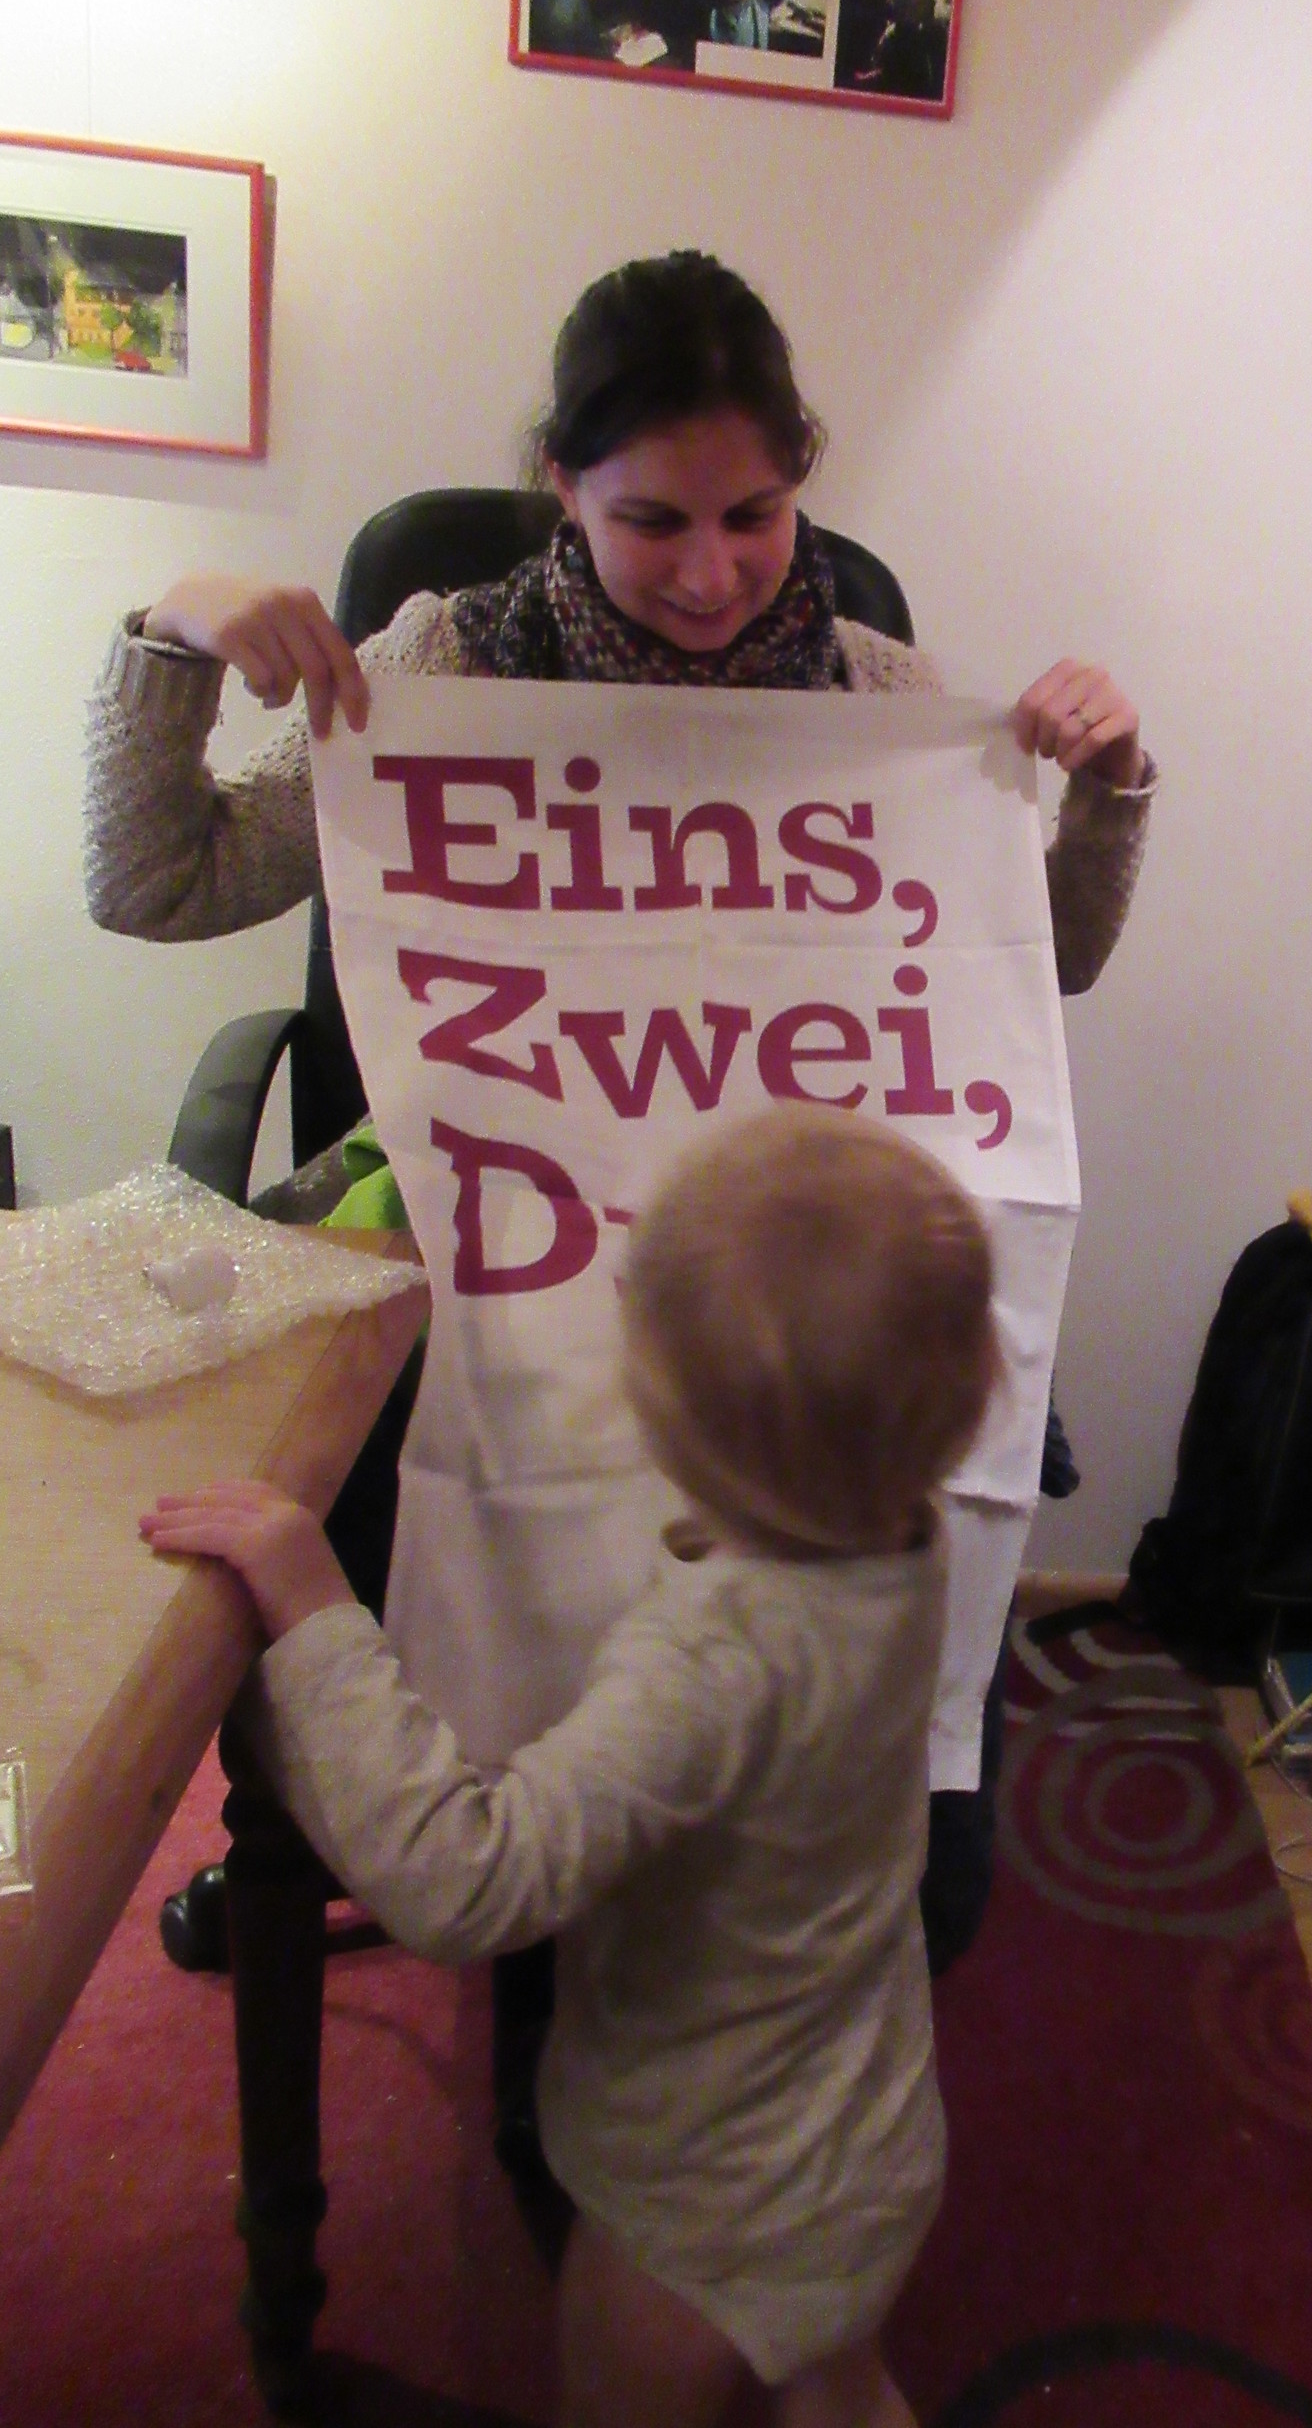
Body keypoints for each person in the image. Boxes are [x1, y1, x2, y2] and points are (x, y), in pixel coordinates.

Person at [83, 249, 1155, 1980]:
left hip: (775, 1277)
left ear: (803, 481)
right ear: (561, 486)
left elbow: (1050, 964)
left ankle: (794, 1860)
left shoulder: (875, 695)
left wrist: (1107, 788)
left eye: (756, 515)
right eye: (654, 519)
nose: (714, 572)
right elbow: (154, 881)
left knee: (926, 1841)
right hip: (515, 1252)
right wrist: (175, 629)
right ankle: (518, 1852)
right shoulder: (438, 662)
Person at [142, 1108, 998, 2428]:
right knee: (837, 2387)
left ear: (666, 1421)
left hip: (693, 2200)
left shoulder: (712, 1661)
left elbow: (462, 1882)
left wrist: (317, 1612)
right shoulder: (906, 1531)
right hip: (871, 2142)